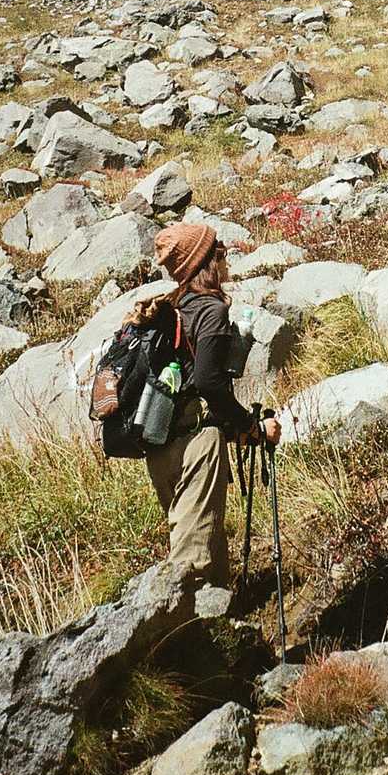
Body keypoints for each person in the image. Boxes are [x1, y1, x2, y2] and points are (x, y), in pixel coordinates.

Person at [148, 221, 281, 588]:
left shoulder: (172, 308)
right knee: (191, 566)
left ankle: (222, 615)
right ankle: (182, 622)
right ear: (206, 262)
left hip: (159, 446)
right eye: (219, 252)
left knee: (206, 542)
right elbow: (209, 384)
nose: (226, 259)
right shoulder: (210, 310)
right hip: (197, 446)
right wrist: (252, 427)